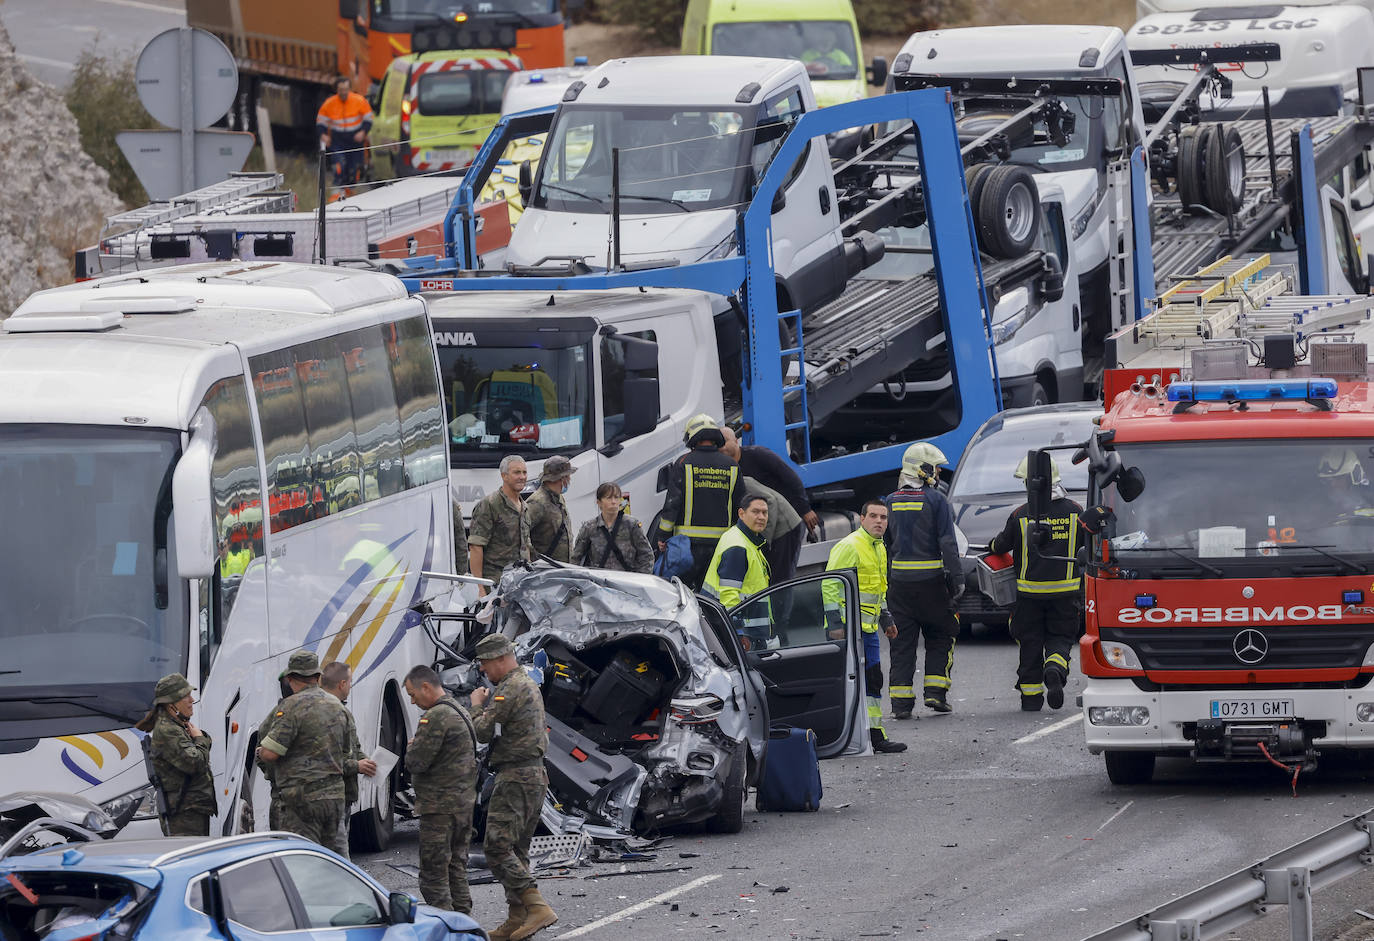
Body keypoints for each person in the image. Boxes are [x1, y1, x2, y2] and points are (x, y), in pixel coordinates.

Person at [469, 634, 556, 941]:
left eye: (485, 663)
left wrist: (476, 706)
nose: (483, 671)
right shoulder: (526, 683)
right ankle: (518, 918)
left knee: (496, 846)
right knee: (517, 850)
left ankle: (537, 907)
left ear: (499, 659)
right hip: (532, 776)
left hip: (516, 777)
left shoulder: (511, 688)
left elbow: (481, 732)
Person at [989, 456, 1085, 711]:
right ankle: (1054, 668)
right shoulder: (1076, 511)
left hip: (1028, 595)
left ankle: (1031, 698)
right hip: (1066, 593)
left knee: (1030, 642)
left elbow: (1000, 545)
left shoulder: (1020, 515)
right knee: (1061, 637)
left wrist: (991, 546)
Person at [885, 442, 963, 717]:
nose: (939, 473)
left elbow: (885, 544)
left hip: (899, 587)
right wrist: (958, 579)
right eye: (937, 468)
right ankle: (935, 693)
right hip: (931, 584)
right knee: (942, 634)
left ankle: (901, 704)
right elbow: (948, 543)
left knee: (902, 644)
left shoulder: (889, 501)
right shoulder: (936, 500)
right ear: (924, 469)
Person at [255, 650, 360, 856]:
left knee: (304, 860)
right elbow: (348, 752)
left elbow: (270, 754)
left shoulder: (291, 707)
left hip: (301, 801)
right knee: (336, 861)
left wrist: (260, 752)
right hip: (334, 798)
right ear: (318, 677)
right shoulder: (338, 707)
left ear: (290, 679)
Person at [824, 500, 907, 754]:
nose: (879, 521)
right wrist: (836, 625)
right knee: (849, 682)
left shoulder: (879, 547)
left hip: (868, 629)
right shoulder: (850, 546)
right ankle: (844, 735)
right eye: (873, 516)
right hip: (848, 630)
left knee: (873, 680)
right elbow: (829, 585)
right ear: (863, 518)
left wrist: (886, 619)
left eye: (883, 517)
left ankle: (874, 734)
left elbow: (877, 589)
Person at [404, 664, 479, 914]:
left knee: (434, 874)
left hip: (440, 808)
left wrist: (412, 747)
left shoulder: (435, 716)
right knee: (456, 867)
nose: (413, 702)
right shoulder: (460, 709)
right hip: (463, 805)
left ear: (426, 686)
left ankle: (445, 926)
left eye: (413, 695)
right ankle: (464, 923)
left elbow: (416, 762)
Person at [720, 425, 818, 583]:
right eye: (717, 444)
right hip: (764, 521)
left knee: (780, 579)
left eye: (724, 442)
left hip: (783, 522)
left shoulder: (758, 455)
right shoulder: (728, 469)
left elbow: (790, 478)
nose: (721, 447)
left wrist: (805, 509)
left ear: (736, 441)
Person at [657, 414, 743, 590]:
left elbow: (672, 503)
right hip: (721, 545)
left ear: (691, 438)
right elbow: (740, 505)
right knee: (713, 594)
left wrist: (663, 536)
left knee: (684, 594)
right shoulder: (732, 465)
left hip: (688, 547)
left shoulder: (684, 463)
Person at [135, 673, 216, 836]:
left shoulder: (176, 725)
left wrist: (200, 738)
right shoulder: (168, 730)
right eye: (186, 697)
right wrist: (199, 738)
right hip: (183, 814)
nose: (192, 701)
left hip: (190, 810)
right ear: (171, 704)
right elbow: (196, 762)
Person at [702, 493, 772, 649]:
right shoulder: (738, 546)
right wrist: (738, 634)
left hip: (747, 631)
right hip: (743, 635)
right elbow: (729, 595)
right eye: (755, 512)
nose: (761, 517)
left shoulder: (745, 539)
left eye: (764, 512)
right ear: (741, 513)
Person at [322, 660, 375, 845]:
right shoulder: (329, 713)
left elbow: (354, 747)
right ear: (342, 684)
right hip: (332, 797)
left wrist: (366, 761)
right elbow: (327, 760)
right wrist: (357, 765)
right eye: (350, 682)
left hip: (344, 795)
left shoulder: (343, 711)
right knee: (338, 854)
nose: (351, 687)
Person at [469, 455, 532, 593]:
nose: (522, 477)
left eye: (524, 472)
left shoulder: (524, 506)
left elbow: (526, 546)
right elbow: (475, 547)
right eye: (517, 472)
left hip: (521, 584)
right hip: (496, 585)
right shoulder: (489, 504)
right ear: (504, 476)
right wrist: (479, 588)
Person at [572, 481, 654, 573]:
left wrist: (640, 579)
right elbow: (576, 558)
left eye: (616, 497)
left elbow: (646, 555)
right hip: (599, 582)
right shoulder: (589, 527)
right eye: (609, 498)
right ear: (599, 502)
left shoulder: (631, 524)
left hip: (627, 582)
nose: (613, 502)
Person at [316, 76, 373, 194]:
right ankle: (337, 191)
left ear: (350, 89)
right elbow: (321, 122)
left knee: (354, 169)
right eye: (341, 90)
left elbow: (368, 119)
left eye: (346, 89)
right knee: (340, 165)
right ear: (337, 90)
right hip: (338, 141)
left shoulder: (359, 101)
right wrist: (323, 135)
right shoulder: (329, 103)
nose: (343, 93)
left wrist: (363, 132)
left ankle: (351, 191)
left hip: (355, 141)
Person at [526, 455, 576, 562]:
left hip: (562, 568)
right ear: (561, 478)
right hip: (545, 571)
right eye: (568, 476)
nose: (570, 479)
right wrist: (537, 560)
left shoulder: (559, 497)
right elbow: (521, 534)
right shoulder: (537, 502)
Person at [452, 498, 470, 575]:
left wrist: (462, 575)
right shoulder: (451, 503)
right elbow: (461, 543)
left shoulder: (451, 504)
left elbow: (460, 543)